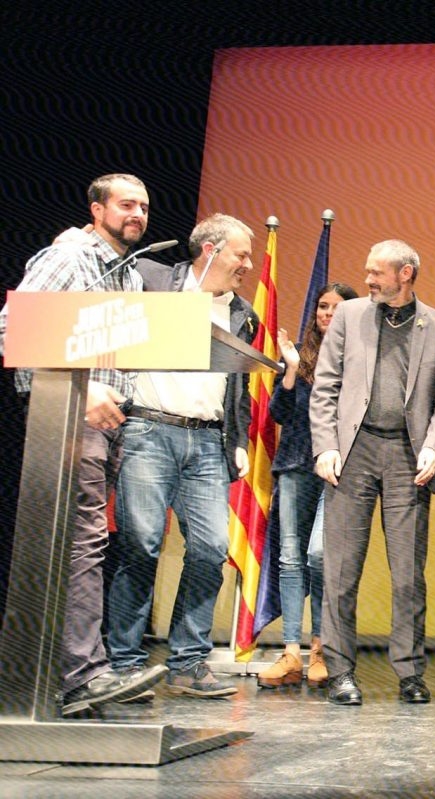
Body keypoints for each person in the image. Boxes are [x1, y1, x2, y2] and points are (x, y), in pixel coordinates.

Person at [0, 174, 167, 714]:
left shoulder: (128, 277)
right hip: (67, 419)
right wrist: (81, 381)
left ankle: (72, 671)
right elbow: (12, 327)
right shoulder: (69, 257)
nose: (137, 214)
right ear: (96, 209)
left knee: (86, 543)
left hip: (109, 426)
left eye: (143, 206)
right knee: (83, 541)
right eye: (125, 205)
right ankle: (82, 673)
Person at [107, 213, 259, 700]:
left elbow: (237, 384)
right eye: (241, 254)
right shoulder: (152, 280)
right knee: (142, 544)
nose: (248, 265)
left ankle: (189, 662)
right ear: (210, 250)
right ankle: (124, 664)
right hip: (150, 430)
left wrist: (237, 438)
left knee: (212, 549)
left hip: (209, 443)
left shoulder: (243, 312)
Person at [310, 240, 435, 706]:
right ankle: (340, 672)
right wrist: (326, 447)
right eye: (368, 271)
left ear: (406, 274)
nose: (369, 279)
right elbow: (325, 385)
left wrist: (434, 447)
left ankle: (410, 673)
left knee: (407, 575)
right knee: (341, 571)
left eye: (378, 272)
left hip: (405, 455)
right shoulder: (350, 316)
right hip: (352, 453)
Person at [256, 282, 359, 688]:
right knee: (290, 557)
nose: (327, 314)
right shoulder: (300, 356)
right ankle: (291, 653)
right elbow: (280, 413)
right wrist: (293, 369)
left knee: (319, 555)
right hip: (296, 465)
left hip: (337, 468)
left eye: (336, 307)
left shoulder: (358, 358)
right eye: (322, 306)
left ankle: (321, 649)